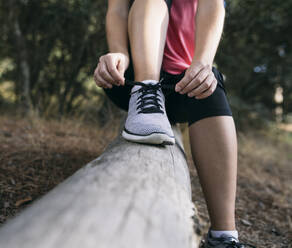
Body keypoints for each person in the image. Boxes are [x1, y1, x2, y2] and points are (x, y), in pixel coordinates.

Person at [93, 0, 256, 247]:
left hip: (183, 83)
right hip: (130, 79)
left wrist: (203, 63)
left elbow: (213, 6)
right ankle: (146, 89)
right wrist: (119, 53)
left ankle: (223, 238)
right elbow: (117, 9)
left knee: (209, 85)